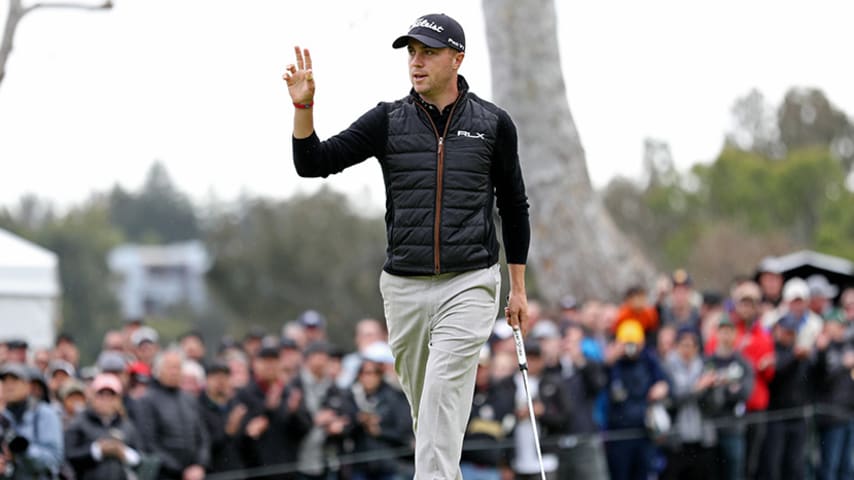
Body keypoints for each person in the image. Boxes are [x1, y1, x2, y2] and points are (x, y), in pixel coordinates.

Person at [284, 12, 530, 479]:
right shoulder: (387, 121)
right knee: (430, 413)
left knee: (440, 394)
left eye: (428, 53)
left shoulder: (494, 124)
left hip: (471, 281)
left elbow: (515, 207)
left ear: (457, 59)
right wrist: (304, 110)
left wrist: (516, 289)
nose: (416, 62)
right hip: (404, 289)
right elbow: (314, 163)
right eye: (412, 53)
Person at [604, 320, 670, 480]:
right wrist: (607, 363)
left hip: (644, 432)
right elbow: (597, 385)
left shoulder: (648, 361)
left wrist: (662, 387)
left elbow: (665, 381)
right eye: (627, 344)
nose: (631, 349)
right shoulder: (612, 364)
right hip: (619, 434)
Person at [135, 350, 209, 480]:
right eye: (170, 367)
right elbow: (149, 444)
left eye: (178, 367)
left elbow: (202, 437)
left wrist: (200, 464)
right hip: (164, 475)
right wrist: (180, 470)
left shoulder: (189, 399)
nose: (174, 372)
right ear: (158, 370)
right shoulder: (147, 401)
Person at [345, 356, 413, 480]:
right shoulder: (350, 397)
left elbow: (405, 435)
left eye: (374, 373)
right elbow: (344, 429)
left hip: (391, 467)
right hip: (360, 466)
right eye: (365, 373)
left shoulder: (394, 398)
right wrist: (358, 421)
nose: (369, 378)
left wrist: (380, 431)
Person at [64, 374, 143, 480]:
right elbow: (69, 455)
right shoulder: (79, 423)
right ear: (92, 397)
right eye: (101, 395)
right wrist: (97, 450)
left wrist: (122, 451)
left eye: (111, 396)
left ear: (118, 399)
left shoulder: (126, 425)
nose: (106, 400)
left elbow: (140, 458)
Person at [704, 314, 754, 480]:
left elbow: (745, 392)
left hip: (734, 427)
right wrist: (728, 387)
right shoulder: (707, 361)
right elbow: (703, 394)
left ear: (735, 334)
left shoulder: (742, 362)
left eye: (729, 331)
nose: (725, 336)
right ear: (716, 333)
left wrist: (719, 386)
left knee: (735, 473)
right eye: (722, 331)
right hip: (710, 428)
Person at [0, 362, 64, 479]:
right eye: (5, 381)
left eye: (14, 381)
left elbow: (54, 460)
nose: (9, 386)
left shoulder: (45, 413)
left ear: (27, 386)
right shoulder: (3, 417)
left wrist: (24, 451)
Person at [199, 360, 246, 474]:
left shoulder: (236, 404)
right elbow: (203, 446)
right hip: (214, 473)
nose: (221, 381)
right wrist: (227, 432)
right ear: (207, 380)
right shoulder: (198, 407)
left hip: (237, 472)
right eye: (215, 377)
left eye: (225, 376)